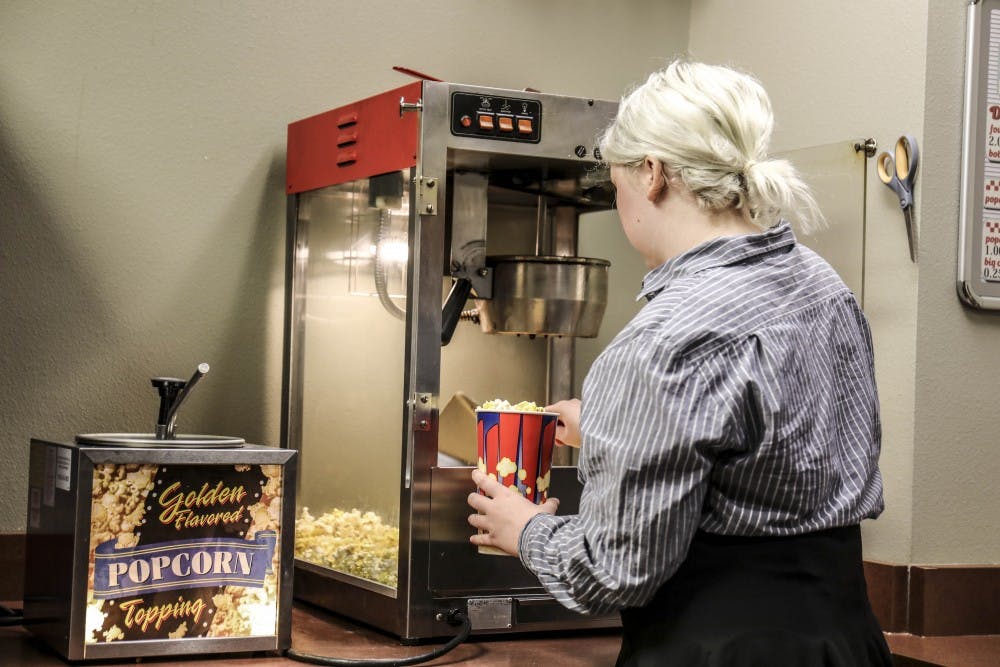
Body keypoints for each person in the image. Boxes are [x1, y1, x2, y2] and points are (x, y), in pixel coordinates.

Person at [467, 59, 892, 666]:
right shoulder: (823, 285)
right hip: (844, 642)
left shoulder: (661, 341)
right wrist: (616, 430)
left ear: (653, 173)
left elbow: (611, 573)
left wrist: (523, 528)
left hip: (718, 650)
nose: (621, 207)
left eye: (616, 187)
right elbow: (775, 452)